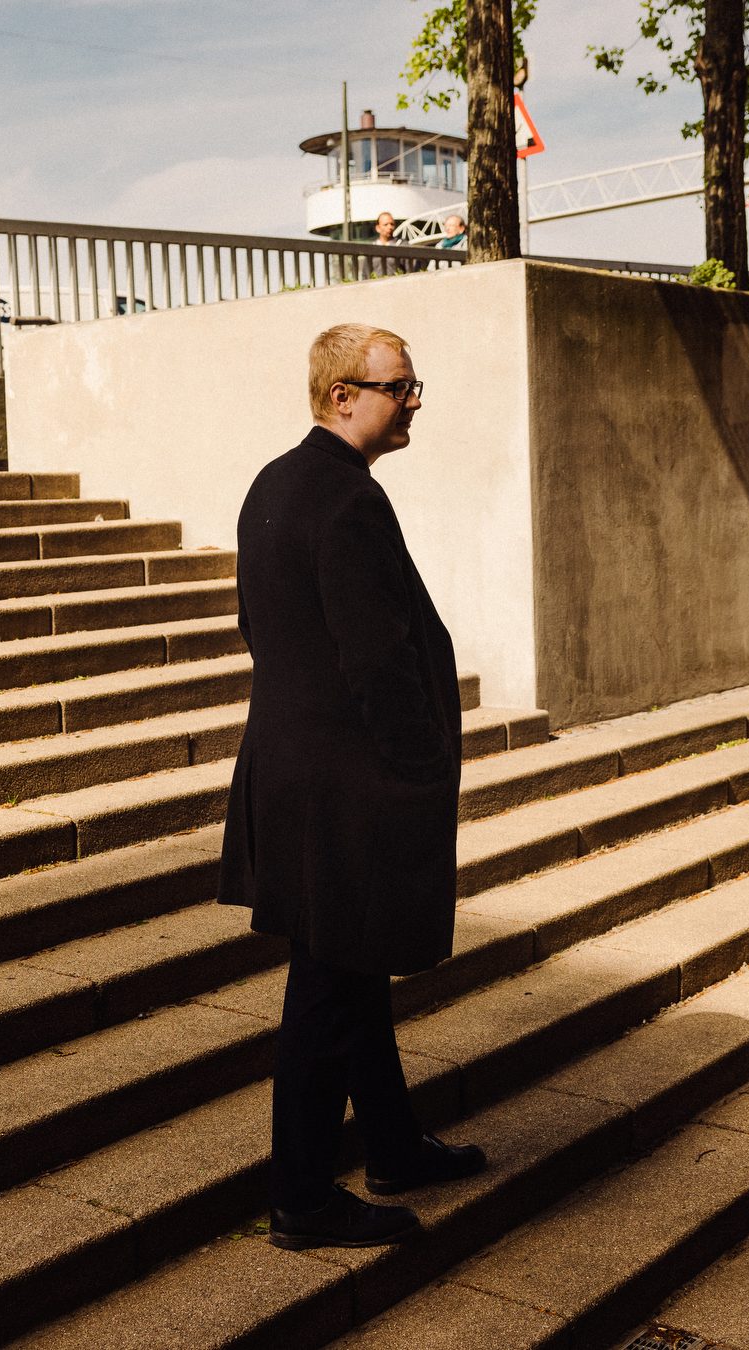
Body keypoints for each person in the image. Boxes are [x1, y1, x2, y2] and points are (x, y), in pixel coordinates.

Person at [221, 323, 486, 1251]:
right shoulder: (347, 500)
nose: (413, 401)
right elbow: (377, 658)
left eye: (413, 385)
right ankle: (300, 1198)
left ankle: (393, 1147)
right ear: (343, 395)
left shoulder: (275, 484)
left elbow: (260, 624)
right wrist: (420, 769)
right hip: (350, 785)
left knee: (352, 968)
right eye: (398, 386)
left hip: (294, 772)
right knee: (328, 988)